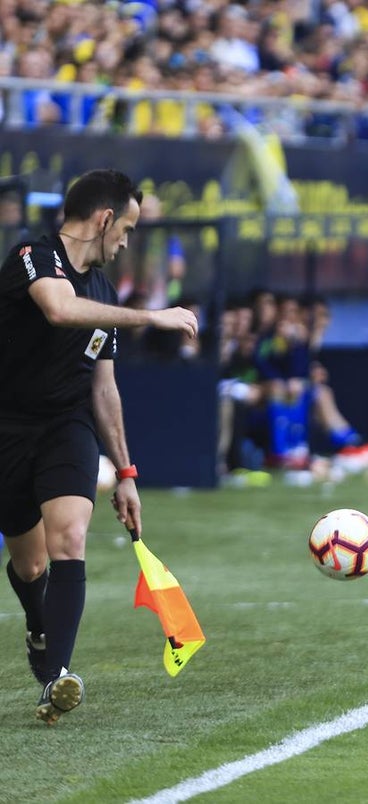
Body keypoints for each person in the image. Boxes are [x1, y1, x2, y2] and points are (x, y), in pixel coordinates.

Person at [0, 168, 199, 724]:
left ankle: (56, 679)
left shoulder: (105, 292)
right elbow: (59, 309)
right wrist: (151, 318)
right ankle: (40, 628)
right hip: (7, 427)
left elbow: (103, 389)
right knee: (31, 563)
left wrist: (127, 472)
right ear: (105, 218)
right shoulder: (32, 258)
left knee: (69, 538)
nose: (127, 242)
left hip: (66, 426)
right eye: (128, 229)